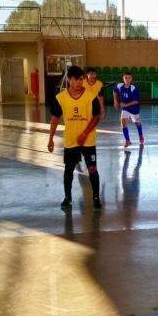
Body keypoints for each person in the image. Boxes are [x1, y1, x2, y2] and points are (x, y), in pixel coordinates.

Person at [47, 65, 102, 211]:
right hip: (71, 141)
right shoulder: (61, 98)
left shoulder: (90, 96)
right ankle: (67, 198)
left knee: (92, 169)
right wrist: (50, 138)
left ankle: (96, 197)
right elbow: (54, 119)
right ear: (69, 80)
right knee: (69, 170)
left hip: (88, 140)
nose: (79, 83)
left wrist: (85, 133)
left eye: (81, 79)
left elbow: (97, 116)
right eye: (76, 80)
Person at [114, 72, 145, 147]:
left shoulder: (133, 88)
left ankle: (141, 135)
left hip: (134, 108)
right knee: (123, 123)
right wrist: (115, 101)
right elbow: (114, 90)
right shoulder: (119, 86)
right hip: (125, 109)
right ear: (123, 79)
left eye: (129, 78)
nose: (127, 79)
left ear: (131, 79)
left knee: (137, 123)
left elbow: (136, 101)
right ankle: (127, 141)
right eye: (126, 78)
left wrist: (125, 104)